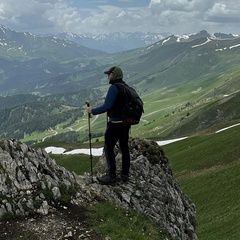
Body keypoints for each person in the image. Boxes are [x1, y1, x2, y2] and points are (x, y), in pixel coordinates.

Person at [86, 66, 131, 185]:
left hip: (115, 123)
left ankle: (112, 176)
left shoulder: (114, 88)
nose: (108, 77)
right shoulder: (125, 87)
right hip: (125, 123)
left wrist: (92, 111)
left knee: (108, 147)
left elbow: (107, 106)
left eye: (109, 74)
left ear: (114, 75)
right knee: (124, 148)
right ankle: (125, 175)